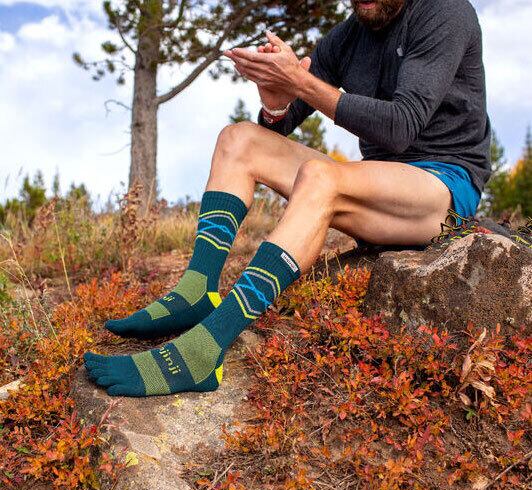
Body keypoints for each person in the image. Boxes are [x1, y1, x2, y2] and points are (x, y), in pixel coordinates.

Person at [84, 0, 491, 397]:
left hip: (442, 189)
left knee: (320, 176)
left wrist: (300, 81)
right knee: (239, 139)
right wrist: (276, 103)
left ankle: (206, 347)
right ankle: (196, 290)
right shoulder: (346, 38)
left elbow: (400, 127)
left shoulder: (444, 12)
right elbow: (280, 124)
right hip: (377, 193)